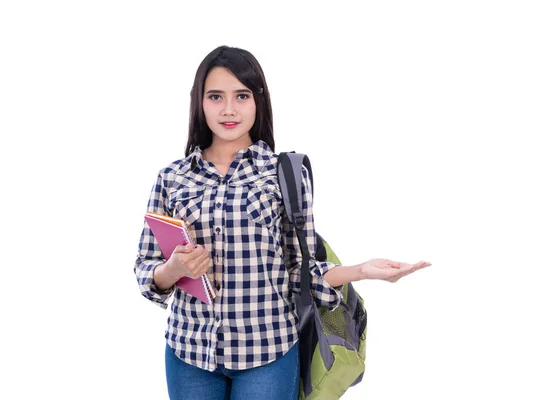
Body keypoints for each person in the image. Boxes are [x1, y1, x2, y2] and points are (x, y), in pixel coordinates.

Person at [134, 45, 432, 400]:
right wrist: (173, 268)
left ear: (259, 100)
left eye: (241, 95)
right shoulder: (172, 178)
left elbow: (298, 270)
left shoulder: (283, 174)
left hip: (269, 352)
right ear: (199, 101)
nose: (229, 109)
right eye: (216, 96)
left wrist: (362, 270)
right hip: (189, 352)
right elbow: (146, 268)